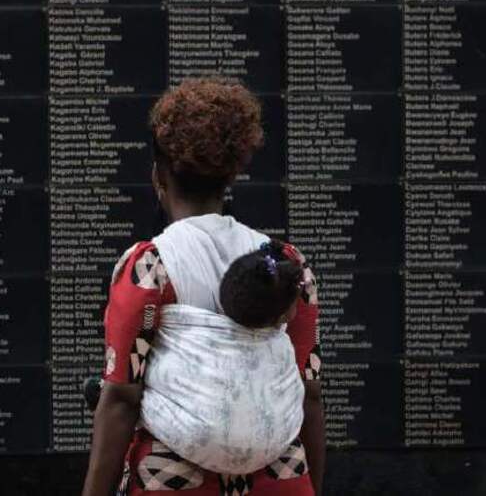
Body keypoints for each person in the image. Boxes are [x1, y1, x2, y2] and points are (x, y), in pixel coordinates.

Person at [82, 77, 324, 496]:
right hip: (280, 479)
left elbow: (120, 398)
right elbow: (310, 394)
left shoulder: (150, 267)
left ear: (158, 175)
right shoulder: (287, 265)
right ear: (231, 175)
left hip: (177, 482)